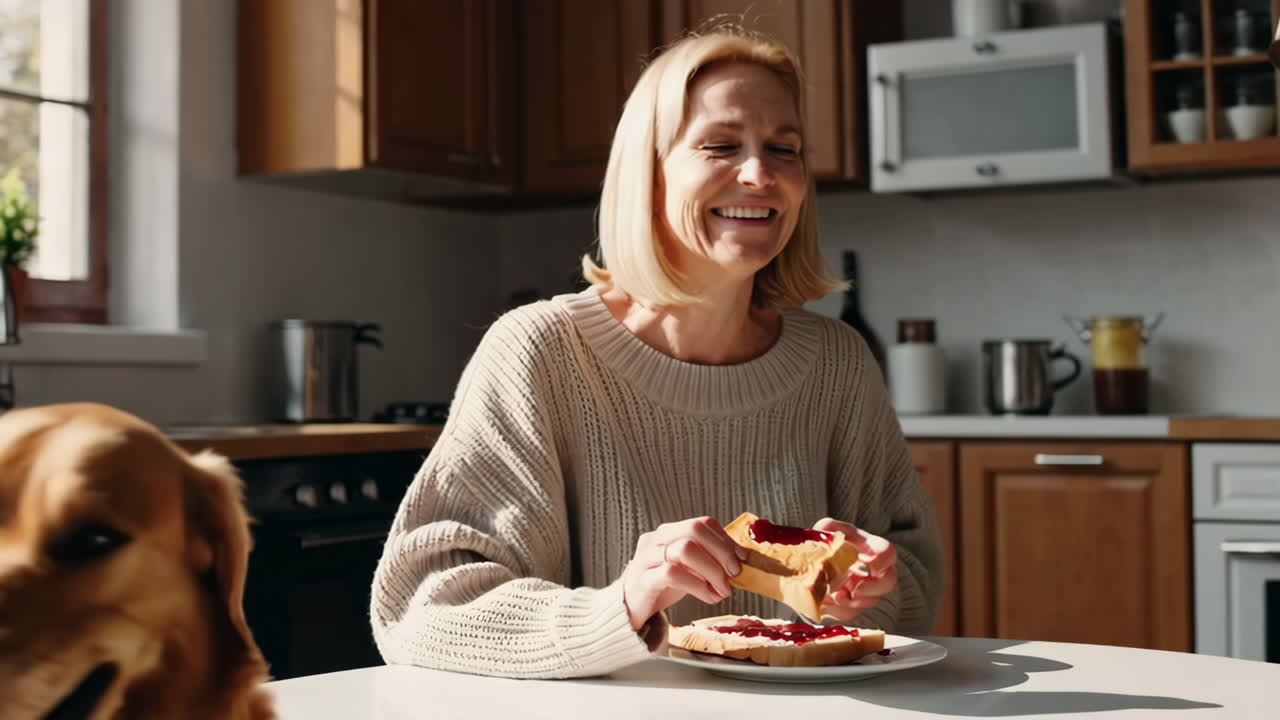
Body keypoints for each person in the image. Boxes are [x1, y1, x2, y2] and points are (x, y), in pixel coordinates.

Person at [370, 26, 944, 680]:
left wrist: (861, 592)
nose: (760, 175)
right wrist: (624, 604)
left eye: (784, 149)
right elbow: (423, 610)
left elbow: (912, 576)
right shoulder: (540, 352)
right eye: (720, 145)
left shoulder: (838, 363)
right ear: (648, 172)